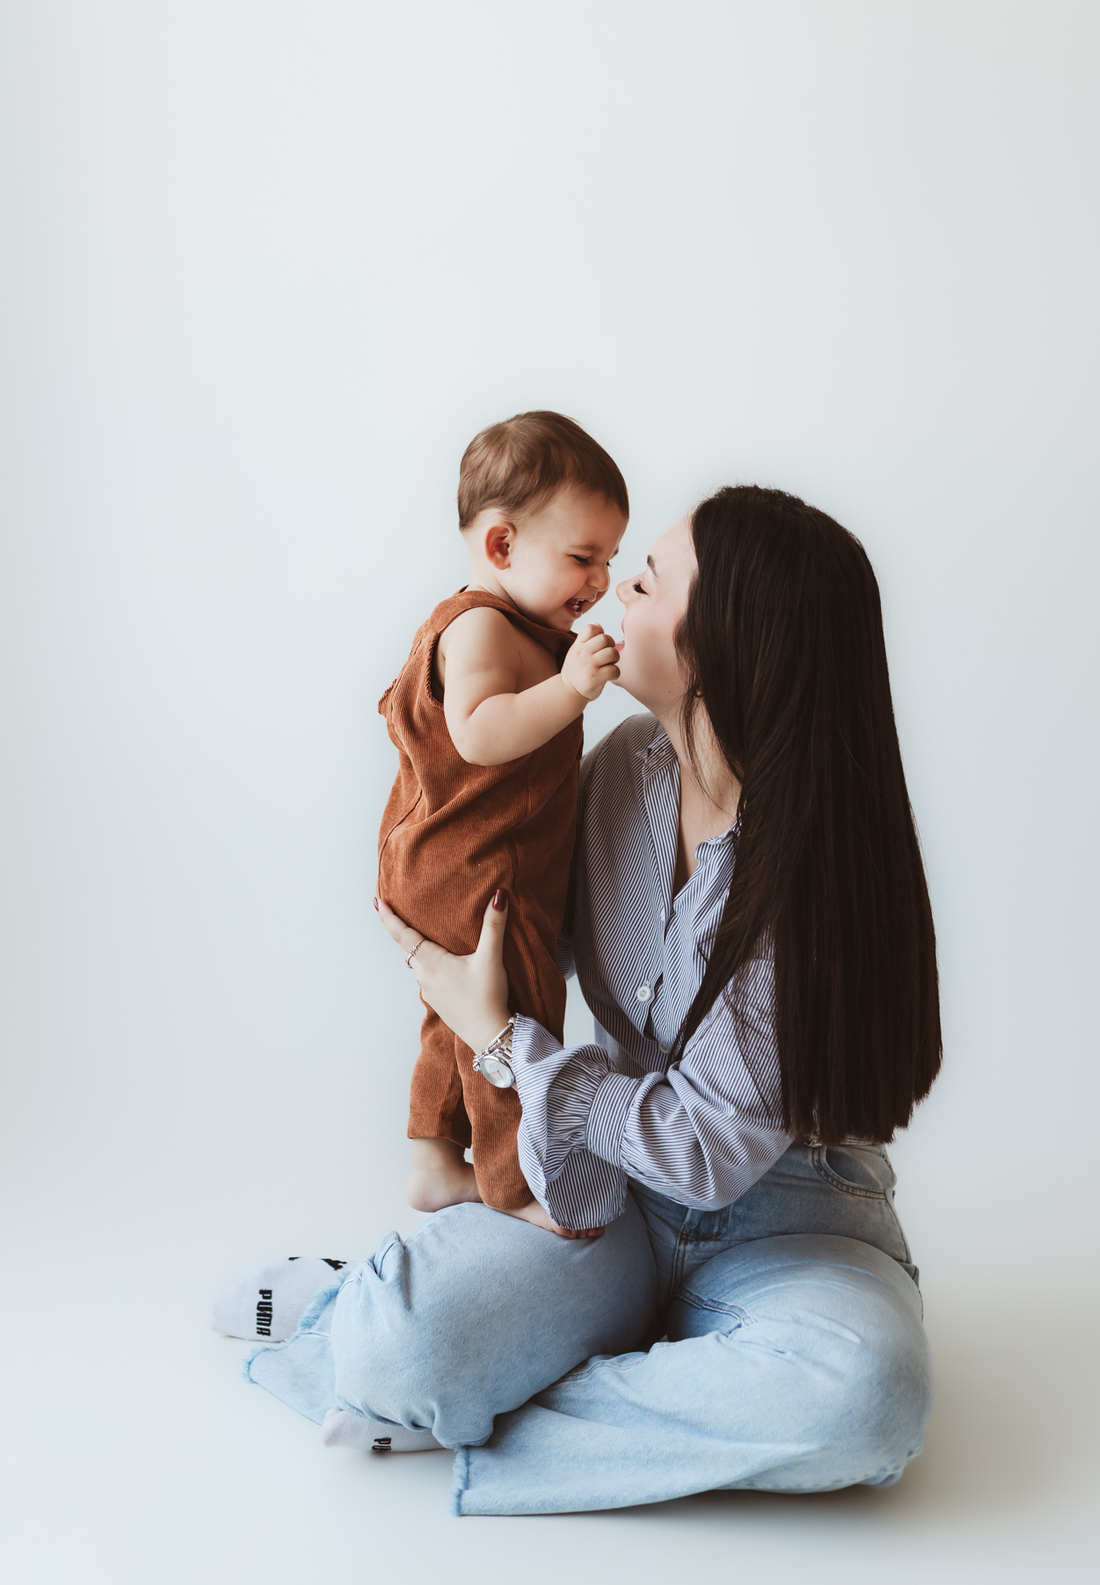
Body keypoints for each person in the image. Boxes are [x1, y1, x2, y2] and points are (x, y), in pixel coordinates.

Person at [224, 484, 942, 1515]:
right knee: (398, 1349)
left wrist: (502, 1040)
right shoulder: (617, 773)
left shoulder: (815, 877)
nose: (611, 595)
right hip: (610, 1187)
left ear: (726, 640)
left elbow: (703, 1152)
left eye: (645, 581)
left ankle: (484, 1397)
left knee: (868, 1399)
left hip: (792, 1221)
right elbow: (510, 916)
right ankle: (406, 1334)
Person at [376, 410, 626, 1226]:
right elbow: (480, 734)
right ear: (501, 545)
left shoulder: (509, 622)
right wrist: (571, 690)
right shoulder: (482, 625)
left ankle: (432, 1163)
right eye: (583, 557)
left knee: (452, 1020)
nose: (600, 580)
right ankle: (516, 1184)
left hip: (444, 865)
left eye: (611, 560)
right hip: (481, 871)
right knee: (516, 1017)